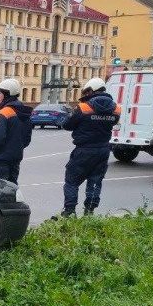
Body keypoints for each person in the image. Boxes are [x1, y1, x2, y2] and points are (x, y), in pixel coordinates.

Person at [59, 77, 121, 217]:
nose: (85, 95)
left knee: (72, 180)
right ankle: (89, 212)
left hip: (84, 150)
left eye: (86, 92)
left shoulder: (84, 107)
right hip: (103, 150)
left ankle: (69, 211)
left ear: (92, 90)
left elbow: (67, 125)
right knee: (95, 180)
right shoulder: (116, 108)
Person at [0, 78, 33, 184]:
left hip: (1, 159)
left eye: (0, 94)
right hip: (15, 158)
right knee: (12, 188)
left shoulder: (4, 113)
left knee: (0, 189)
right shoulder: (24, 112)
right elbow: (27, 139)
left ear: (7, 94)